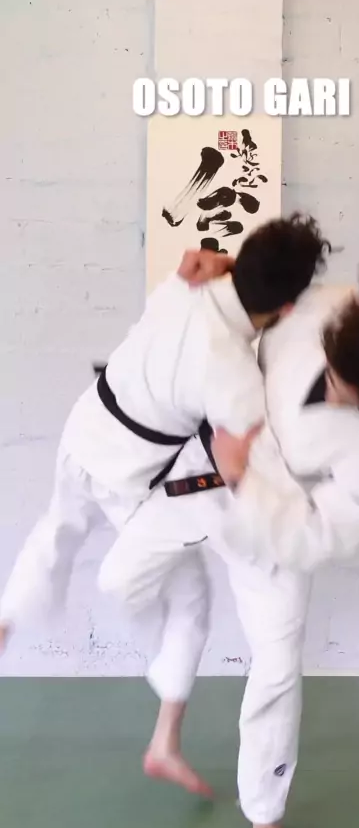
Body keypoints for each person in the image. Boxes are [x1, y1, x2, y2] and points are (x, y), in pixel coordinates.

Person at [93, 256, 359, 828]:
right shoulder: (327, 306)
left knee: (277, 664)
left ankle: (263, 816)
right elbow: (251, 308)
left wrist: (244, 479)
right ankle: (167, 734)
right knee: (120, 584)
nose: (334, 390)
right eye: (334, 373)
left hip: (276, 524)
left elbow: (323, 535)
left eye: (350, 394)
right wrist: (226, 277)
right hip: (202, 467)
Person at [0, 213, 329, 647]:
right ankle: (168, 678)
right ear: (287, 310)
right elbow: (247, 459)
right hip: (125, 471)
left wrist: (232, 268)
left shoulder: (184, 283)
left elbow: (202, 273)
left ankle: (6, 618)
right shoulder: (236, 376)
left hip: (82, 430)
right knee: (184, 589)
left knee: (57, 528)